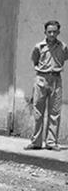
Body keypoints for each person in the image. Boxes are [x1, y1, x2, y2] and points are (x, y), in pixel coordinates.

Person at [24, 20, 67, 151]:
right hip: (41, 79)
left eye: (55, 32)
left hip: (56, 80)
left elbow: (64, 58)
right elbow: (34, 60)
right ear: (45, 32)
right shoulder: (39, 47)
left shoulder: (63, 47)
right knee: (38, 112)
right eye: (49, 32)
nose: (52, 34)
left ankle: (51, 142)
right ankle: (36, 142)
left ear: (58, 32)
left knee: (54, 112)